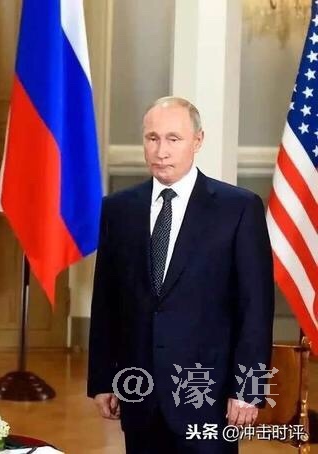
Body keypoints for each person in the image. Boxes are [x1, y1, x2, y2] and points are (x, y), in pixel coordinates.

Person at [87, 96, 274, 453]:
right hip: (139, 394)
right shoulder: (119, 209)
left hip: (207, 395)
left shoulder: (238, 208)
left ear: (198, 141)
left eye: (173, 139)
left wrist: (248, 389)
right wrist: (102, 379)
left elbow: (255, 309)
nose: (161, 151)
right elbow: (106, 302)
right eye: (152, 138)